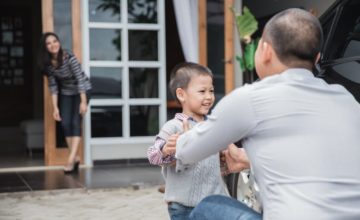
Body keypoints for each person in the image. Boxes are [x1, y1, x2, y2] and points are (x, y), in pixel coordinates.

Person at [175, 8, 360, 220]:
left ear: (266, 51)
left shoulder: (250, 99)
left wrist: (183, 136)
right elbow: (320, 160)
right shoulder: (345, 99)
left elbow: (186, 152)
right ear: (317, 58)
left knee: (209, 206)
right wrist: (249, 160)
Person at [147, 62, 229, 220]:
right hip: (184, 207)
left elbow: (217, 163)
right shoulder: (173, 127)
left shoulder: (212, 126)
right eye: (202, 91)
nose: (209, 96)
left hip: (214, 203)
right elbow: (152, 155)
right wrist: (166, 150)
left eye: (211, 91)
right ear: (181, 95)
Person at [38, 32, 92, 174]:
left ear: (59, 42)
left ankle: (70, 159)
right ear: (45, 47)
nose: (53, 45)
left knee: (75, 122)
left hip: (82, 91)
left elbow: (80, 79)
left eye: (55, 41)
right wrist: (55, 108)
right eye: (49, 43)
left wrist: (83, 101)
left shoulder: (69, 57)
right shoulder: (48, 65)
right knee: (64, 123)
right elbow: (53, 87)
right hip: (67, 93)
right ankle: (74, 157)